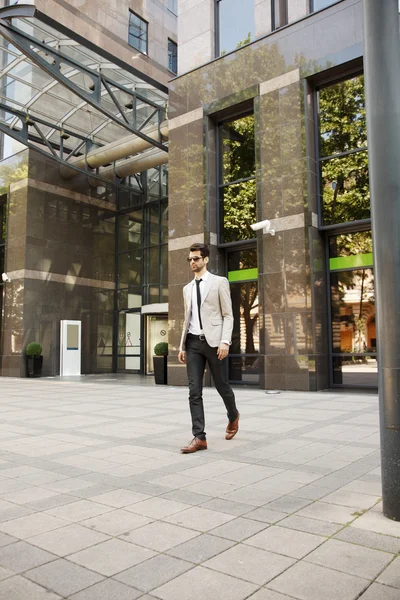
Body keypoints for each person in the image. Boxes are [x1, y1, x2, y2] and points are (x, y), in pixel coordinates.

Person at [178, 243, 240, 453]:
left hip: (214, 343)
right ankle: (199, 437)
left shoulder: (219, 282)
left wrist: (225, 341)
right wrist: (182, 346)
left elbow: (228, 315)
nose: (192, 262)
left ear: (205, 259)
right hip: (193, 343)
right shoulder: (186, 289)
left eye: (196, 258)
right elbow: (187, 319)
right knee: (194, 391)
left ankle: (233, 415)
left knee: (222, 385)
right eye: (190, 259)